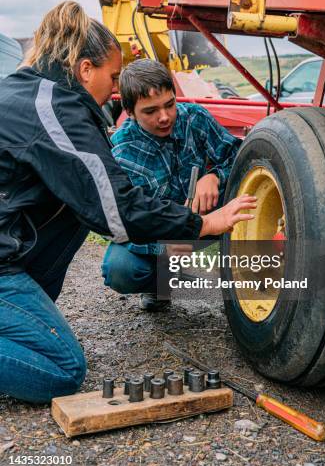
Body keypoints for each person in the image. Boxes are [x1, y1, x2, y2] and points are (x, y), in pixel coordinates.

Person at [0, 1, 256, 404]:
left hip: (12, 251)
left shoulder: (26, 93)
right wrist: (202, 226)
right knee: (62, 369)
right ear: (86, 69)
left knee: (67, 219)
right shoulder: (55, 111)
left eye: (169, 105)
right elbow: (116, 211)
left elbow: (233, 155)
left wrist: (213, 177)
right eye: (113, 76)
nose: (114, 88)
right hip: (13, 260)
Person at [101, 59, 242, 310]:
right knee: (120, 269)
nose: (165, 117)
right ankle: (161, 284)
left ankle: (248, 284)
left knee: (246, 198)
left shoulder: (195, 118)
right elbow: (124, 223)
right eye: (151, 111)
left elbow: (241, 156)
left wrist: (214, 176)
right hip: (162, 235)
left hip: (209, 219)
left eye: (169, 104)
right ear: (130, 111)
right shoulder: (122, 153)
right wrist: (162, 248)